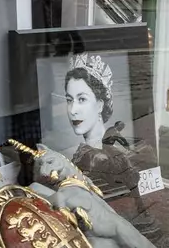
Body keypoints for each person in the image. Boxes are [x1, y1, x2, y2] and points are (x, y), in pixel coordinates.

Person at [64, 53, 161, 241]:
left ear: (100, 104)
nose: (72, 109)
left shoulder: (107, 144)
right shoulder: (81, 153)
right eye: (69, 99)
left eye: (82, 99)